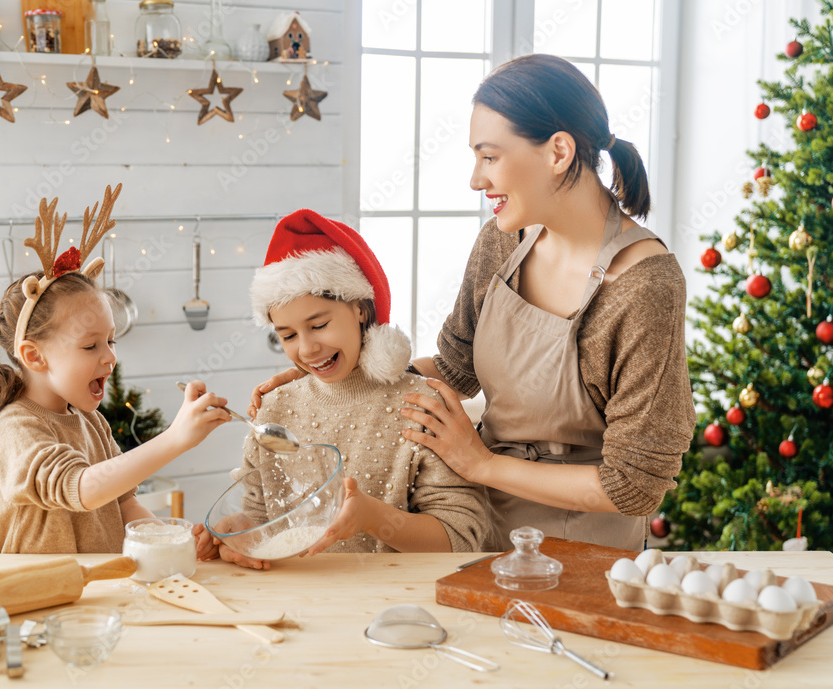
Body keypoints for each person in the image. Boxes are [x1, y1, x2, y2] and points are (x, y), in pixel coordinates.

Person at [250, 55, 696, 552]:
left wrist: (481, 464)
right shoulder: (503, 242)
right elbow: (455, 370)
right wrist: (334, 378)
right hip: (480, 526)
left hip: (580, 554)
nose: (475, 180)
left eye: (489, 157)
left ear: (559, 152)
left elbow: (633, 486)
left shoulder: (644, 284)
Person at [202, 209, 488, 570]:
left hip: (394, 608)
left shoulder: (421, 406)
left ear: (359, 309)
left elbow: (463, 538)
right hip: (293, 605)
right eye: (287, 335)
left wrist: (373, 517)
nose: (306, 349)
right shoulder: (274, 410)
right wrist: (238, 532)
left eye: (319, 325)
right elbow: (260, 519)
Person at [0, 188, 229, 554]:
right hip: (37, 603)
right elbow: (82, 488)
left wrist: (173, 543)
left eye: (111, 341)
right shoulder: (15, 429)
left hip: (98, 596)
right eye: (90, 346)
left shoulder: (92, 423)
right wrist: (175, 438)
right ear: (35, 356)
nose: (109, 358)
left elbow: (123, 505)